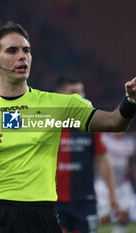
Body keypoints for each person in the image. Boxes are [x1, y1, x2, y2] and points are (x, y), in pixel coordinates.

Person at [0, 21, 136, 233]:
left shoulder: (57, 105)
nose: (22, 56)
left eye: (26, 50)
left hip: (40, 214)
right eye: (12, 50)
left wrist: (130, 101)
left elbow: (114, 122)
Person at [55, 77, 119, 233]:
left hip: (85, 201)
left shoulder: (91, 125)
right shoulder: (48, 124)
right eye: (73, 92)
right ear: (59, 95)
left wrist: (112, 194)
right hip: (54, 202)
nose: (80, 96)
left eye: (81, 91)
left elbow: (102, 159)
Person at [94, 132, 136, 233]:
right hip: (104, 183)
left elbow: (133, 160)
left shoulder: (131, 142)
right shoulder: (104, 139)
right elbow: (97, 156)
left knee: (124, 214)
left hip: (122, 182)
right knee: (104, 219)